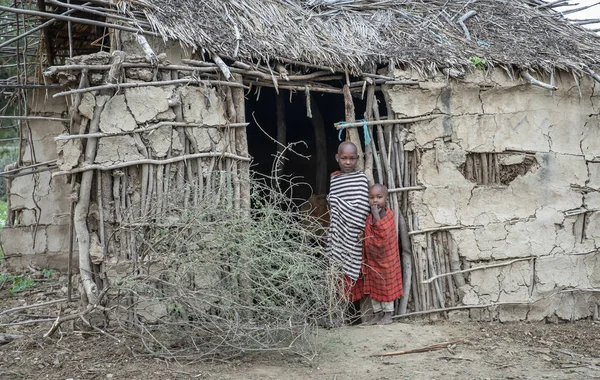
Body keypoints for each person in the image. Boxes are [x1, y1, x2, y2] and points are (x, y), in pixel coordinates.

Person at [327, 141, 370, 308]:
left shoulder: (360, 178)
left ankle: (357, 313)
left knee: (356, 274)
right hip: (338, 235)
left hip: (355, 235)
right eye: (344, 158)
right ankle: (339, 311)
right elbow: (333, 207)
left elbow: (362, 207)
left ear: (357, 159)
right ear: (337, 158)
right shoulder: (335, 179)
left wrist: (336, 202)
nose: (347, 162)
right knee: (338, 274)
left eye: (352, 159)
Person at [362, 184, 403, 325]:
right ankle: (377, 314)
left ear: (386, 198)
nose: (375, 201)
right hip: (373, 259)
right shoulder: (369, 218)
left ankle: (388, 315)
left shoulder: (388, 215)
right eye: (371, 197)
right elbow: (369, 234)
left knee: (386, 286)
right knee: (374, 287)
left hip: (387, 260)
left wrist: (375, 214)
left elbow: (383, 234)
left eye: (379, 197)